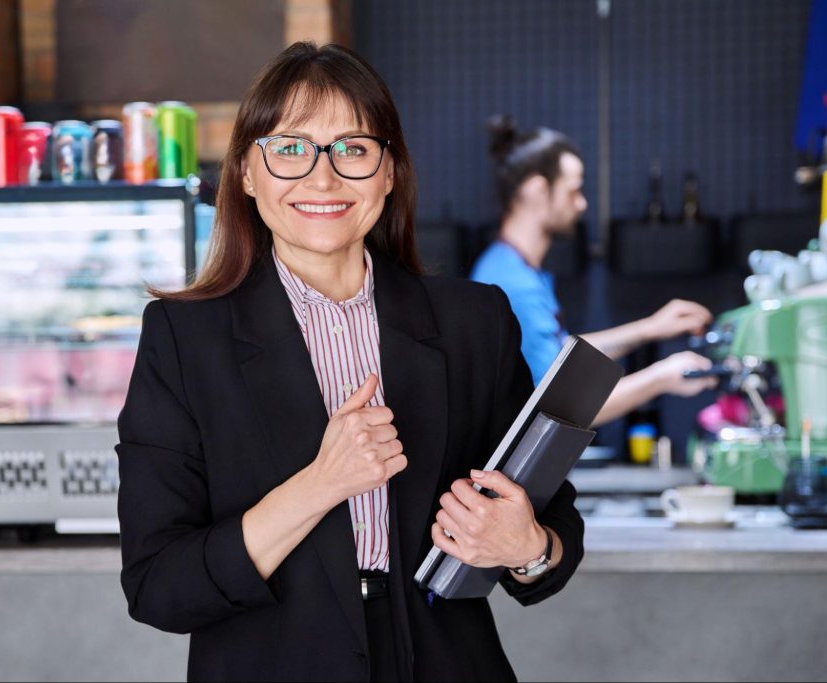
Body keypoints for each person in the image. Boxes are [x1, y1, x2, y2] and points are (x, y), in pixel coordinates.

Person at [117, 44, 584, 682]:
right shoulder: (182, 338)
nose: (322, 178)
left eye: (354, 148)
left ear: (389, 172)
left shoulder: (473, 322)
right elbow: (159, 587)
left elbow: (553, 524)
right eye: (289, 148)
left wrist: (527, 549)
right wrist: (323, 481)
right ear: (247, 175)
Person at [470, 116, 718, 426]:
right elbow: (558, 405)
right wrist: (662, 377)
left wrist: (650, 328)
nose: (582, 204)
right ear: (538, 190)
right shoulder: (512, 285)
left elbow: (561, 358)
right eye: (573, 191)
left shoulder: (515, 269)